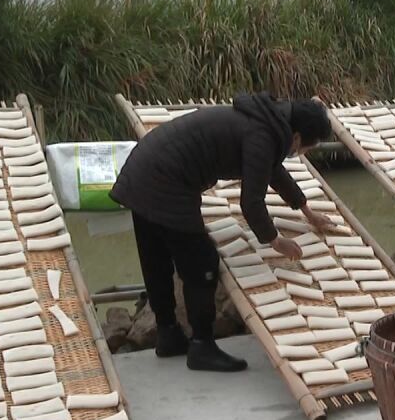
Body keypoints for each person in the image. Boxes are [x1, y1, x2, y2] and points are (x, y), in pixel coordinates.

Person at [110, 93, 335, 372]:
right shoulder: (264, 135)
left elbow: (272, 171)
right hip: (166, 179)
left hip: (143, 168)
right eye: (305, 148)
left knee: (156, 256)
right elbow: (251, 202)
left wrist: (306, 210)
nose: (301, 153)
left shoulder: (268, 119)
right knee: (202, 262)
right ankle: (202, 346)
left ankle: (168, 334)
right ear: (298, 137)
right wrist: (274, 240)